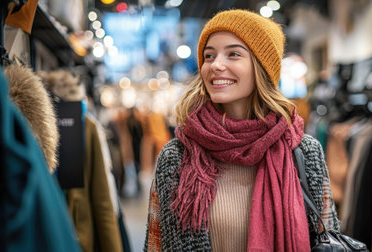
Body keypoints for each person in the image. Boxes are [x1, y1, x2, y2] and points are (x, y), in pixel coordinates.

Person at [144, 9, 340, 251]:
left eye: (233, 54)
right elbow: (155, 244)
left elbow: (327, 235)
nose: (216, 65)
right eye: (208, 56)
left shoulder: (303, 151)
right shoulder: (177, 156)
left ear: (261, 66)